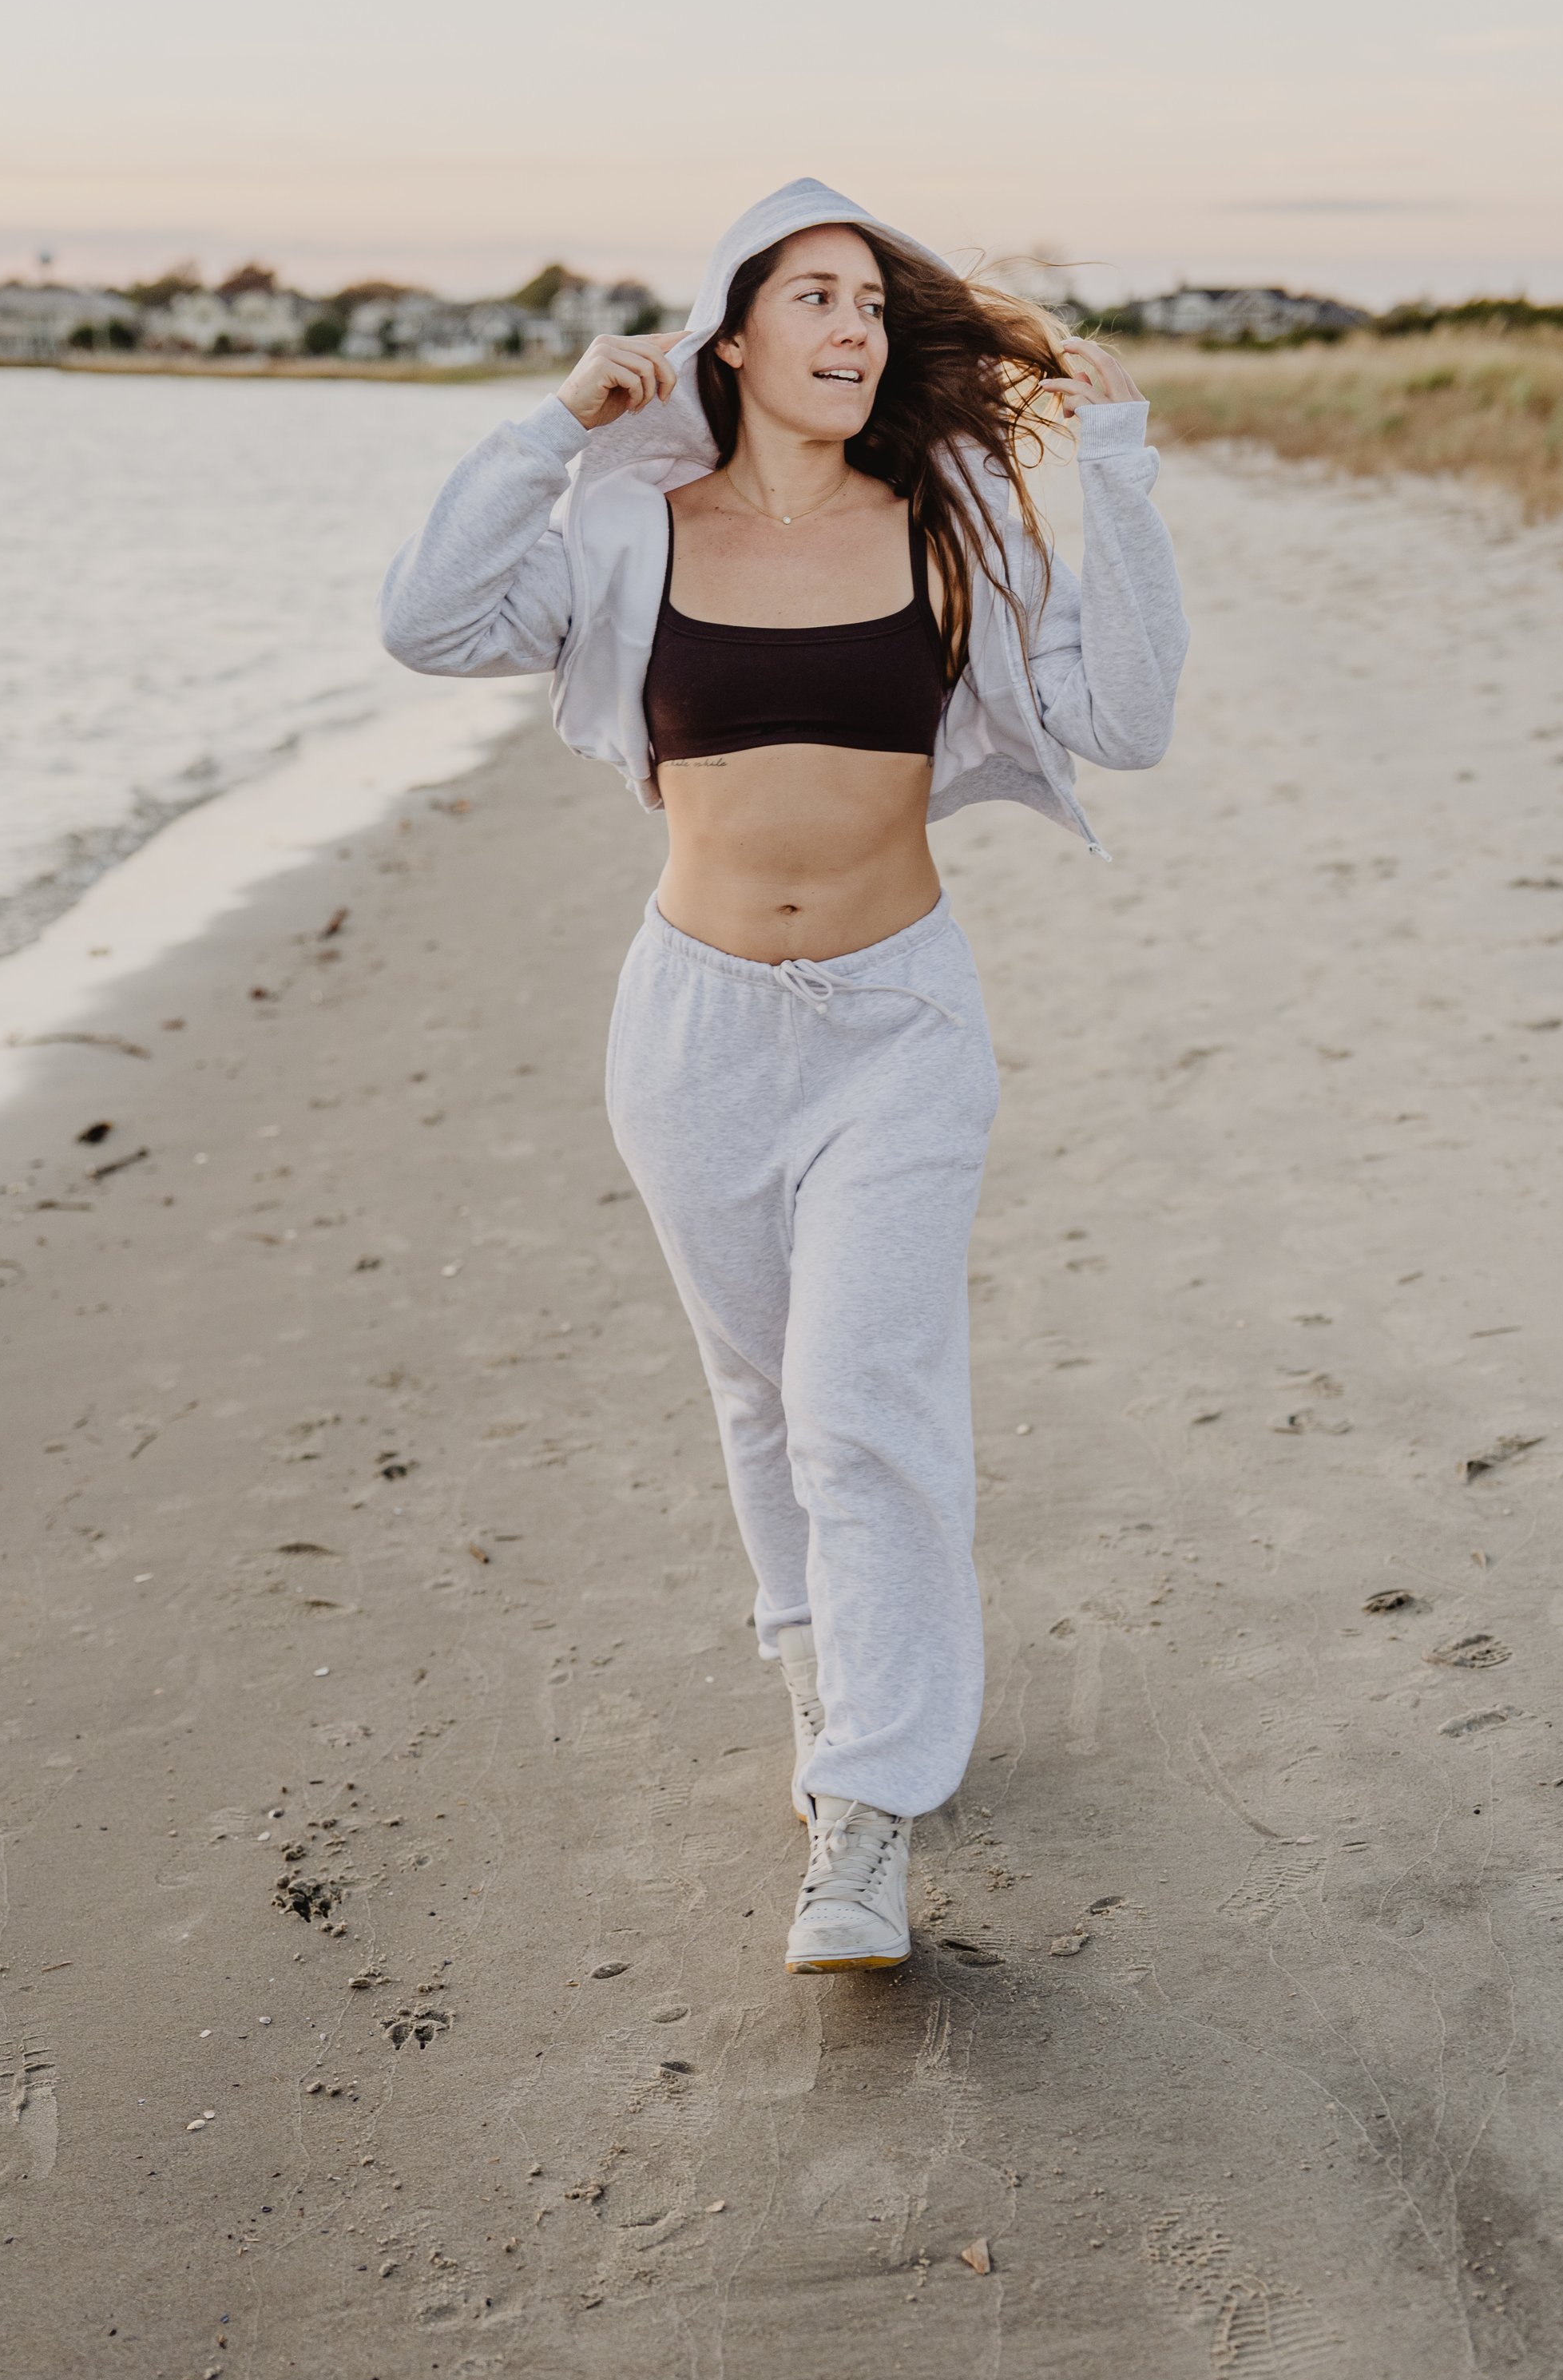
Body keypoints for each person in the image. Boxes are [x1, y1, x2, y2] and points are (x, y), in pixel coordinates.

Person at [380, 177, 1187, 1971]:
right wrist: (546, 428)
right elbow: (425, 624)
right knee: (760, 1398)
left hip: (898, 1024)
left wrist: (1109, 467)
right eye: (810, 296)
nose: (850, 329)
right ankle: (826, 1680)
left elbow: (1126, 718)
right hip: (692, 1027)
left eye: (873, 308)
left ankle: (870, 1814)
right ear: (725, 335)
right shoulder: (623, 528)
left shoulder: (952, 525)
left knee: (855, 1404)